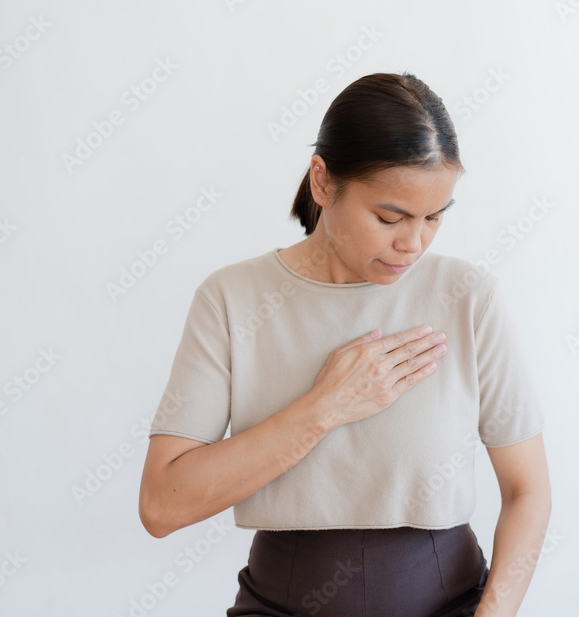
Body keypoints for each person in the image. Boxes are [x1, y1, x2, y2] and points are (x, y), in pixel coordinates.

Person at [138, 71, 552, 616]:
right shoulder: (232, 299)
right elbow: (162, 506)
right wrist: (324, 408)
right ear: (322, 182)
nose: (413, 243)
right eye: (389, 217)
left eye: (433, 218)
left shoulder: (468, 298)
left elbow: (528, 492)